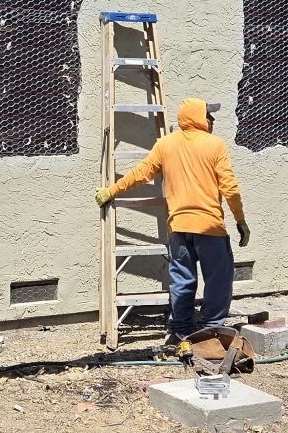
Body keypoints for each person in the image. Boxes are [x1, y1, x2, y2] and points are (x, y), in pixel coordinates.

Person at [97, 98, 249, 349]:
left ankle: (179, 332)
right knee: (218, 280)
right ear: (199, 118)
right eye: (208, 115)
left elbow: (141, 172)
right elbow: (230, 188)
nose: (212, 120)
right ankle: (210, 332)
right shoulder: (215, 145)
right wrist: (240, 220)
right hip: (210, 227)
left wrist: (112, 191)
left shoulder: (165, 144)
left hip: (178, 228)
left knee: (182, 280)